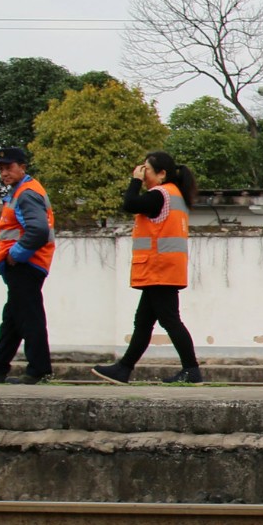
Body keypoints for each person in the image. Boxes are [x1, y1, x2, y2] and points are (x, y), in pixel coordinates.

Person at [92, 151, 203, 385]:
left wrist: (134, 181)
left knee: (170, 320)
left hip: (159, 268)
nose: (143, 174)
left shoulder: (160, 195)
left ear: (161, 174)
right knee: (143, 321)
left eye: (147, 170)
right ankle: (124, 368)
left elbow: (130, 203)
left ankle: (191, 370)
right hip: (164, 269)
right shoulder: (175, 196)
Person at [0, 147, 55, 385]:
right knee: (13, 318)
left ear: (22, 167)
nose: (4, 173)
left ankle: (39, 370)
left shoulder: (26, 193)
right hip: (25, 265)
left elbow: (38, 230)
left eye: (9, 168)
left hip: (26, 264)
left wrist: (16, 254)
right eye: (1, 169)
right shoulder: (20, 191)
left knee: (29, 317)